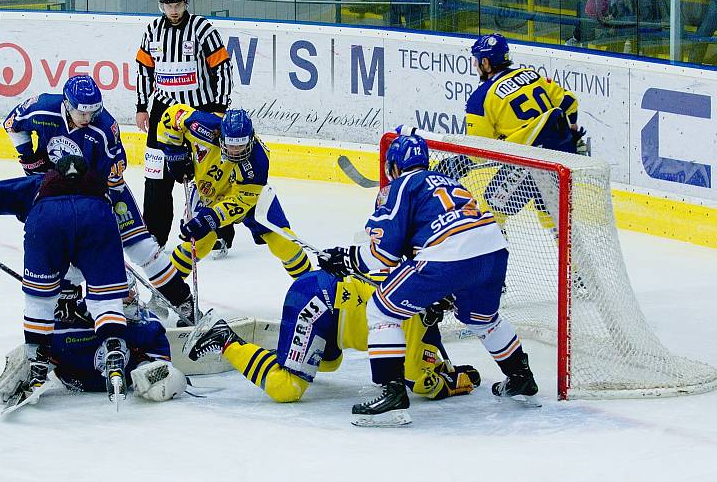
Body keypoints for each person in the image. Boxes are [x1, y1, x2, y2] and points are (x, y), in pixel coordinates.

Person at [318, 134, 539, 426]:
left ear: (393, 166)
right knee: (483, 319)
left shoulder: (400, 187)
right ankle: (521, 378)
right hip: (492, 249)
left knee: (381, 310)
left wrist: (345, 258)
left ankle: (392, 392)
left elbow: (382, 254)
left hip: (450, 254)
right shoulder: (447, 181)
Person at [2, 75, 197, 324]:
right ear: (67, 104)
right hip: (58, 194)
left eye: (92, 112)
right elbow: (12, 124)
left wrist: (100, 220)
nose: (87, 118)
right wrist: (28, 157)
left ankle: (183, 301)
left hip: (102, 191)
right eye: (81, 113)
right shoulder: (42, 108)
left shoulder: (105, 127)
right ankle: (68, 306)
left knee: (143, 248)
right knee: (63, 248)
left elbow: (112, 181)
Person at [0, 156, 131, 403]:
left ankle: (37, 365)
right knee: (105, 300)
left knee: (39, 301)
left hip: (47, 219)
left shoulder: (37, 183)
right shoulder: (102, 186)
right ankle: (114, 351)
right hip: (98, 217)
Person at [186, 269, 480, 407]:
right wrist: (451, 384)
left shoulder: (420, 285)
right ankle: (224, 338)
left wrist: (443, 369)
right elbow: (417, 380)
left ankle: (287, 354)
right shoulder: (421, 316)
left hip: (327, 307)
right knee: (286, 388)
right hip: (317, 302)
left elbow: (419, 356)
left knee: (329, 363)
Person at [156, 105, 313, 289]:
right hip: (209, 191)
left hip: (248, 197)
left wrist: (211, 218)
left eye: (240, 145)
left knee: (283, 241)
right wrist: (174, 153)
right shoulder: (203, 126)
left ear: (251, 138)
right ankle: (166, 292)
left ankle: (314, 289)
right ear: (221, 137)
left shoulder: (259, 160)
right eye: (231, 144)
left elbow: (242, 201)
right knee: (200, 243)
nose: (235, 150)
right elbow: (172, 116)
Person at [135, 0, 235, 255]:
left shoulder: (203, 29)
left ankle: (218, 233)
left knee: (208, 174)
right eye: (168, 5)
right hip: (162, 113)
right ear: (161, 5)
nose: (174, 10)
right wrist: (142, 107)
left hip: (199, 113)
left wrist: (218, 109)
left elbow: (223, 69)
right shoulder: (152, 30)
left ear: (185, 2)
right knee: (156, 177)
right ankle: (155, 234)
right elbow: (145, 70)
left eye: (178, 4)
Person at [0, 288, 186, 406]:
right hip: (74, 381)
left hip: (121, 389)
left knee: (171, 383)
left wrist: (149, 370)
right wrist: (33, 367)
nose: (132, 301)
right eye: (124, 296)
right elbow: (43, 349)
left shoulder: (146, 325)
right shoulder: (61, 329)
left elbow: (160, 363)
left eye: (131, 295)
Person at [464, 33, 586, 233]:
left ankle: (491, 261)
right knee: (552, 217)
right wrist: (571, 126)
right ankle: (575, 265)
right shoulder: (530, 75)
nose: (476, 65)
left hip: (529, 158)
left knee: (491, 212)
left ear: (485, 62)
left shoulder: (480, 98)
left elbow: (477, 152)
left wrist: (459, 163)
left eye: (477, 60)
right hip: (561, 151)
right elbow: (570, 101)